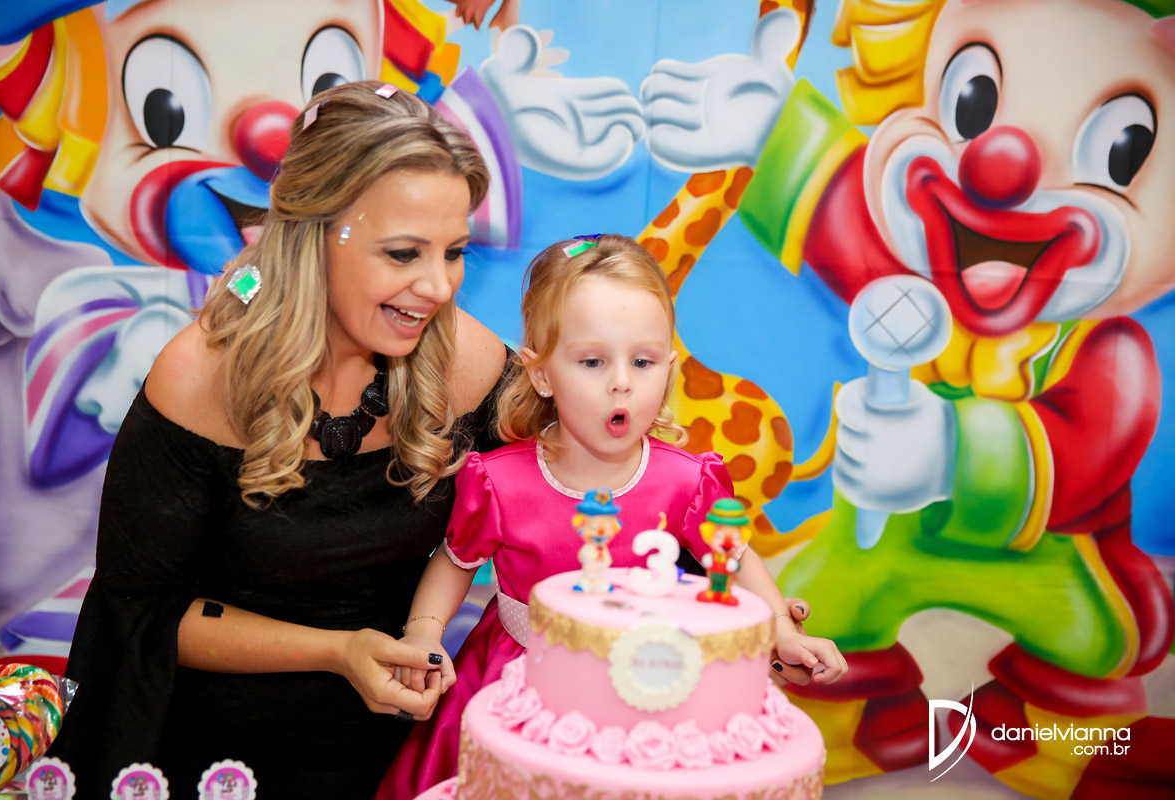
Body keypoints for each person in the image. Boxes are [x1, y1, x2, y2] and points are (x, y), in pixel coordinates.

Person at [46, 81, 510, 799]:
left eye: (453, 253)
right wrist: (338, 652)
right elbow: (140, 615)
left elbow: (574, 488)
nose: (438, 287)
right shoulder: (200, 377)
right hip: (209, 762)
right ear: (313, 232)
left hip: (390, 758)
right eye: (403, 253)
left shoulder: (466, 358)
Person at [376, 234, 848, 798]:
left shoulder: (687, 481)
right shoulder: (499, 481)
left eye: (642, 361)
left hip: (655, 688)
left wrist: (780, 630)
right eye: (593, 361)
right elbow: (455, 562)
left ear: (668, 369)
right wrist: (423, 630)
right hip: (513, 681)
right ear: (541, 373)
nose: (622, 380)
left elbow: (735, 558)